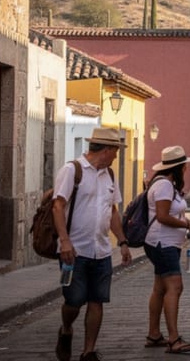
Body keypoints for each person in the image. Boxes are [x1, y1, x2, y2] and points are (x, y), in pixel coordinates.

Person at [52, 127, 132, 361]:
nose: (117, 156)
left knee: (97, 300)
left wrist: (123, 242)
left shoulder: (110, 176)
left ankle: (88, 352)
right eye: (115, 151)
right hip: (73, 251)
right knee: (74, 300)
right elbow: (58, 206)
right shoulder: (72, 171)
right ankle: (66, 329)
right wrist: (64, 241)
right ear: (106, 150)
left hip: (102, 250)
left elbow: (113, 211)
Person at [143, 146, 190, 354]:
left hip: (166, 243)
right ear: (178, 167)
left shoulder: (166, 185)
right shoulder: (164, 186)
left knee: (160, 288)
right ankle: (173, 338)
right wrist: (189, 226)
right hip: (162, 243)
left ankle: (154, 334)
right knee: (175, 288)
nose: (187, 168)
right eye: (185, 165)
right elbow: (162, 216)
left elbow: (172, 215)